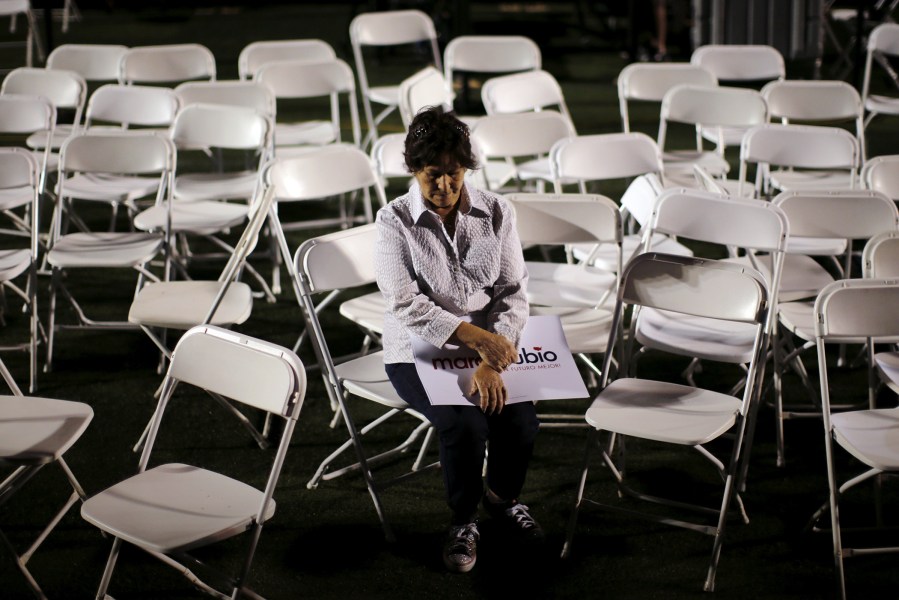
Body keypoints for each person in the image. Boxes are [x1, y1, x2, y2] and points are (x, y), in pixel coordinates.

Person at [375, 105, 542, 573]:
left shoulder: (497, 211)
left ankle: (501, 498)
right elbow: (405, 304)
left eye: (454, 174)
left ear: (466, 168)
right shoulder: (393, 221)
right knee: (464, 425)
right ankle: (463, 520)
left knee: (521, 422)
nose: (445, 187)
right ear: (413, 170)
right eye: (433, 175)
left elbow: (513, 292)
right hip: (415, 349)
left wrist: (494, 354)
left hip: (489, 345)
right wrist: (479, 339)